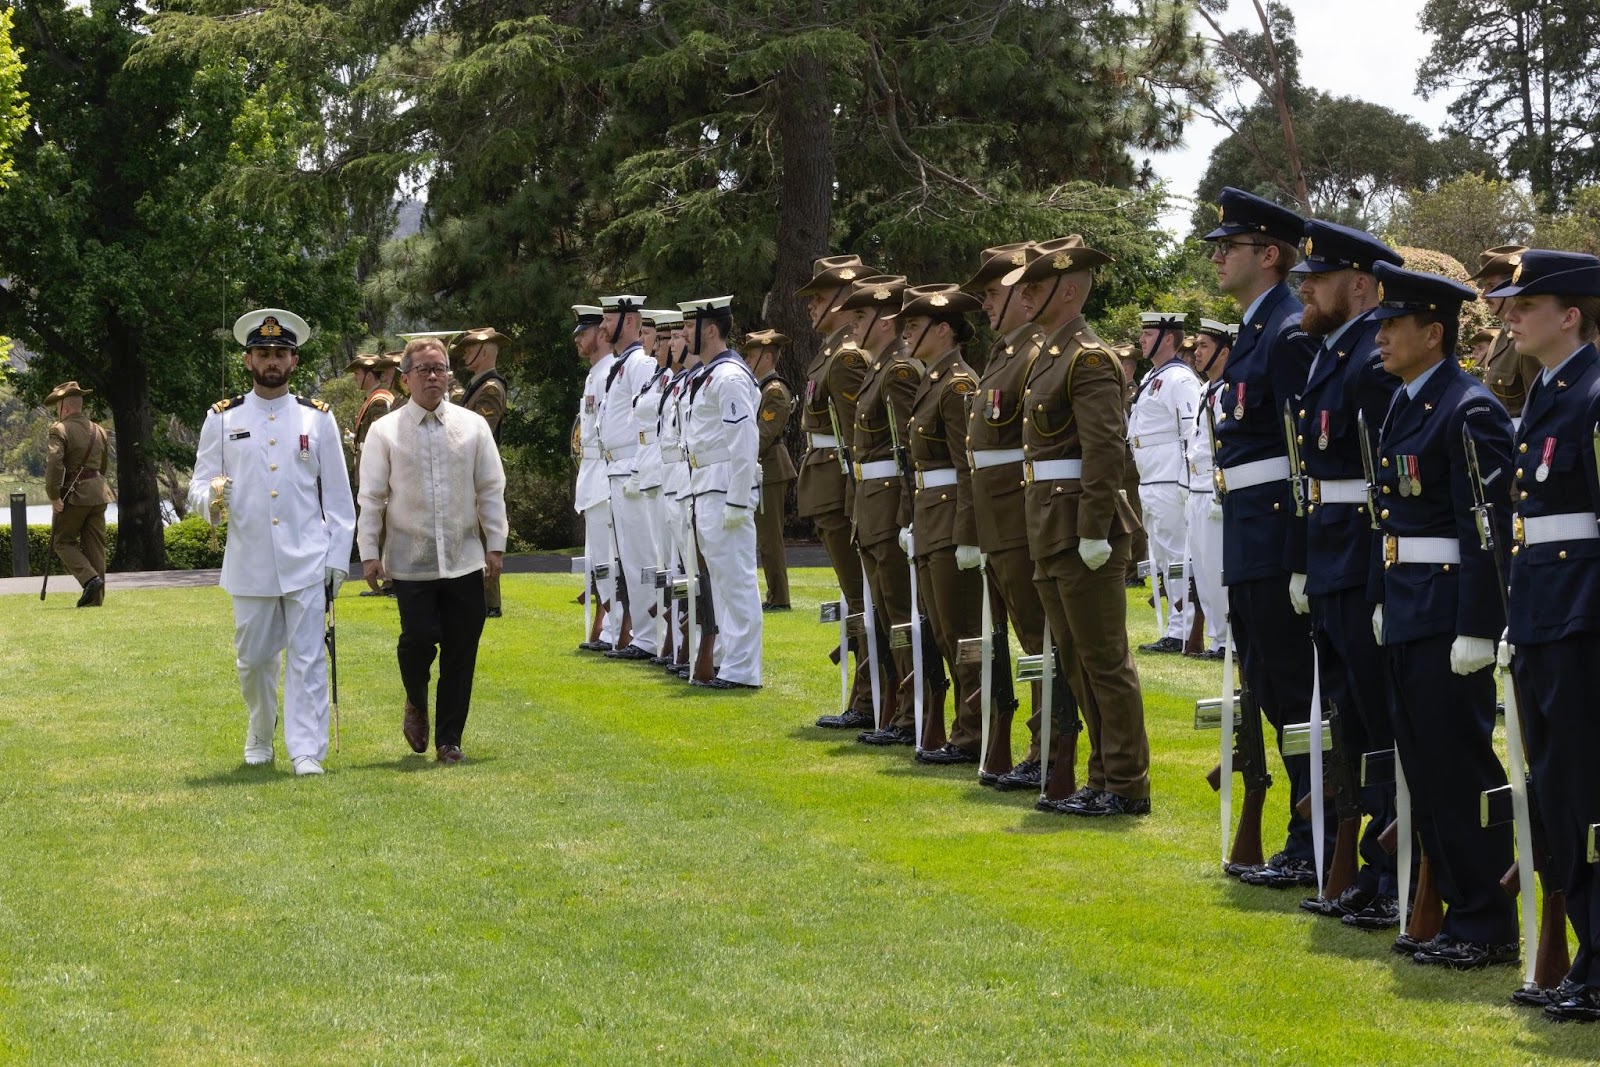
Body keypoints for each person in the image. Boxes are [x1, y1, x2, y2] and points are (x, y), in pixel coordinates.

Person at [1367, 260, 1517, 968]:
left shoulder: (1469, 407)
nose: (1382, 337)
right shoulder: (1404, 402)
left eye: (1394, 325)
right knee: (1424, 767)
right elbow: (1388, 515)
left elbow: (1484, 527)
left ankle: (1487, 915)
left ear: (1434, 332)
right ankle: (1456, 907)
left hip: (1447, 610)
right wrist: (1381, 595)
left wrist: (1478, 625)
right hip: (1407, 603)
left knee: (1459, 766)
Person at [1284, 219, 1404, 927]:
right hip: (1330, 551)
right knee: (1349, 718)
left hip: (1362, 551)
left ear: (1359, 285)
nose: (1306, 288)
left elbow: (1388, 473)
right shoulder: (1333, 353)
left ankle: (1393, 866)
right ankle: (1367, 860)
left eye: (1319, 279)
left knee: (1377, 715)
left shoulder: (1369, 359)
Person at [1204, 188, 1325, 884]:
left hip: (1278, 534)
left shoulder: (1285, 331)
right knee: (1273, 691)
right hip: (1248, 533)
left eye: (1231, 245)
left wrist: (1300, 553)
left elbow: (1307, 450)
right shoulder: (1256, 329)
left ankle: (1313, 837)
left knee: (1292, 686)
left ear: (1270, 254)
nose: (1219, 256)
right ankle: (1305, 835)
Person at [1007, 235, 1151, 817]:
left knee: (1104, 659)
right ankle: (1103, 775)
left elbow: (1105, 451)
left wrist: (1095, 527)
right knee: (1074, 658)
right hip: (1050, 523)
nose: (1026, 298)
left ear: (1068, 290)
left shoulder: (1087, 357)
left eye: (1036, 288)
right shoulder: (1049, 354)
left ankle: (1127, 781)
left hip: (1080, 527)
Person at [1491, 251, 1600, 1016]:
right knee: (1557, 788)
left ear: (1572, 315)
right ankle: (1588, 956)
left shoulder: (1591, 394)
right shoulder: (1546, 395)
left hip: (1582, 615)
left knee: (1587, 790)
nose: (1508, 314)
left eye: (1527, 304)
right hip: (1543, 612)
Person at [189, 308, 355, 776]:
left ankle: (306, 750)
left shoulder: (316, 419)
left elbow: (340, 500)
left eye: (280, 353)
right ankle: (261, 728)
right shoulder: (222, 418)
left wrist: (337, 559)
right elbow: (196, 486)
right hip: (250, 561)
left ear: (294, 361)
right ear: (248, 360)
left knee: (307, 657)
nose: (272, 362)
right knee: (254, 660)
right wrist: (213, 499)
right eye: (263, 353)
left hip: (306, 557)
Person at [359, 335, 507, 764]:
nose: (432, 377)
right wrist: (370, 552)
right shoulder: (385, 431)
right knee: (419, 638)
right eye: (422, 370)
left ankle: (448, 740)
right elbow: (371, 498)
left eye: (439, 368)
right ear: (405, 379)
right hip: (410, 560)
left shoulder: (472, 426)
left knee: (462, 647)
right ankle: (415, 698)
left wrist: (495, 543)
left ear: (448, 376)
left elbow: (490, 488)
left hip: (464, 556)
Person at [961, 242, 1068, 791]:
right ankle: (1039, 741)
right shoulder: (1005, 354)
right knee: (1020, 638)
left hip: (1020, 512)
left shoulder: (1033, 354)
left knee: (1037, 636)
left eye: (990, 292)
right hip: (994, 512)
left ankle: (1047, 744)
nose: (982, 303)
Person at [897, 283, 986, 763]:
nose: (906, 334)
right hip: (931, 517)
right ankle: (963, 728)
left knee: (964, 633)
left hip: (951, 519)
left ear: (944, 330)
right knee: (943, 634)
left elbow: (966, 465)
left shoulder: (957, 385)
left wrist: (967, 533)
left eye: (915, 326)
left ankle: (974, 732)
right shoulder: (933, 381)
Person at [840, 275, 926, 746]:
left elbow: (909, 451)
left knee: (899, 614)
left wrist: (907, 515)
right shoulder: (880, 369)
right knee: (885, 613)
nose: (852, 326)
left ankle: (911, 710)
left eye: (860, 317)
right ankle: (894, 706)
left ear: (884, 320)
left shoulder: (898, 371)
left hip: (891, 504)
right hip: (871, 505)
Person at [796, 256, 881, 729]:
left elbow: (857, 440)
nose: (811, 307)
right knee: (856, 598)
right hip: (827, 481)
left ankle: (871, 699)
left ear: (845, 300)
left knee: (861, 597)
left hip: (842, 486)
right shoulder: (833, 352)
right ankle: (866, 696)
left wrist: (856, 501)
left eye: (819, 297)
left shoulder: (847, 357)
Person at [682, 296, 763, 688]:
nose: (682, 333)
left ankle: (744, 670)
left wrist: (737, 496)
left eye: (688, 325)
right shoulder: (711, 375)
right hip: (707, 487)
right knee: (722, 580)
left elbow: (743, 440)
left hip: (723, 489)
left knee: (737, 581)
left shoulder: (728, 377)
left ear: (709, 329)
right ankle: (731, 663)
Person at [1130, 311, 1201, 653]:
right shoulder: (1153, 377)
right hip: (1152, 478)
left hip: (1171, 479)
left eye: (1148, 333)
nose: (1141, 340)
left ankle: (1185, 629)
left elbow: (1191, 433)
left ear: (1167, 339)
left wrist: (1188, 483)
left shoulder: (1179, 380)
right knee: (1162, 559)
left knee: (1176, 557)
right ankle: (1175, 627)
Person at [598, 295, 662, 660]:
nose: (604, 326)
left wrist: (641, 466)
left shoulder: (639, 364)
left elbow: (647, 419)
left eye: (609, 319)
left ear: (630, 321)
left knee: (642, 556)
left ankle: (651, 635)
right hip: (617, 469)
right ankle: (644, 633)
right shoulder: (618, 366)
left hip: (630, 469)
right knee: (630, 557)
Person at [1181, 321, 1233, 659]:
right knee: (1201, 569)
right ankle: (1216, 637)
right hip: (1195, 489)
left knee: (1218, 567)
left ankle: (1230, 638)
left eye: (1203, 346)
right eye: (1196, 346)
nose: (1196, 353)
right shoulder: (1204, 391)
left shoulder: (1229, 391)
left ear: (1223, 351)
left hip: (1214, 489)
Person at [453, 326, 511, 618]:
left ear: (485, 352)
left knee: (487, 534)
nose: (464, 352)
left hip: (480, 470)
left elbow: (480, 431)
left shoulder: (490, 388)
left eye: (469, 347)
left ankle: (490, 602)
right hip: (471, 469)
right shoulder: (478, 385)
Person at [572, 305, 621, 652]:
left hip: (604, 474)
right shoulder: (594, 375)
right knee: (598, 557)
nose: (578, 340)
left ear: (602, 334)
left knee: (609, 557)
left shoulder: (609, 374)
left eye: (584, 333)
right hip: (591, 473)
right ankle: (609, 627)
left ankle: (616, 627)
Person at [43, 380, 114, 608]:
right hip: (99, 493)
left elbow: (54, 464)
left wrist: (54, 496)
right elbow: (102, 467)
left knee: (62, 542)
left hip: (74, 495)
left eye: (57, 406)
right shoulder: (99, 430)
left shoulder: (60, 429)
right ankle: (96, 599)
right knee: (95, 545)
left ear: (64, 407)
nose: (57, 410)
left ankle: (90, 579)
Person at [746, 329, 797, 612]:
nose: (747, 360)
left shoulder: (774, 391)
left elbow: (763, 435)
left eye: (752, 356)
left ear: (766, 357)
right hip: (763, 469)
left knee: (769, 539)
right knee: (764, 537)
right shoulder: (762, 388)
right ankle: (775, 594)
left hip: (770, 469)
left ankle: (779, 597)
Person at [347, 351, 400, 597]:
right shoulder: (374, 398)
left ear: (369, 374)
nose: (355, 378)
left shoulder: (379, 401)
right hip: (368, 464)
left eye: (358, 373)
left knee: (383, 523)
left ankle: (389, 579)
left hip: (376, 468)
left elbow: (381, 439)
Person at [1471, 245, 1541, 427]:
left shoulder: (1529, 341)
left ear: (1513, 286)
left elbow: (1539, 413)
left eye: (1491, 286)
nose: (1484, 295)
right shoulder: (1499, 337)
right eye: (1484, 286)